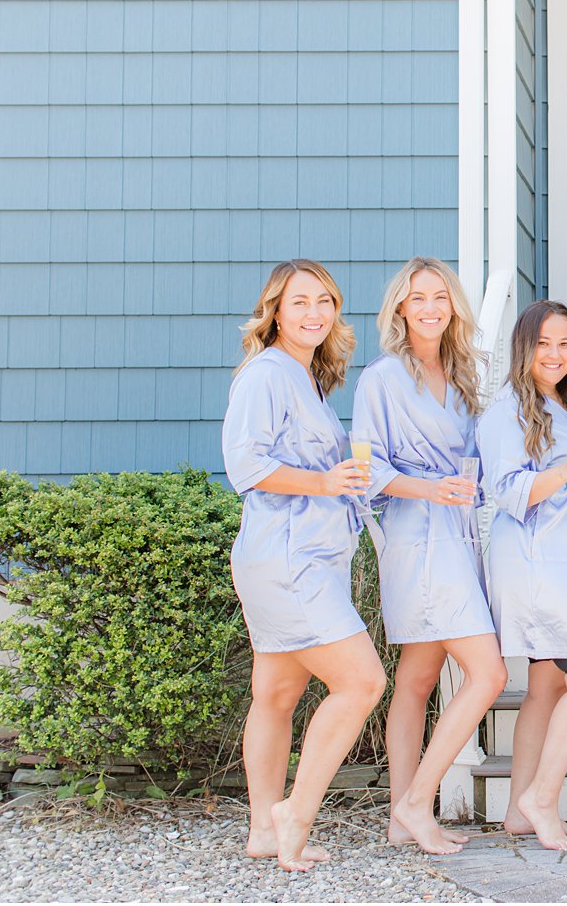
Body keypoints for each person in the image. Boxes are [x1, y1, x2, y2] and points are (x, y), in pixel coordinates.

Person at [221, 259, 386, 872]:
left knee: (277, 693)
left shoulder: (305, 377)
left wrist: (345, 486)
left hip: (294, 555)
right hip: (290, 561)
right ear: (275, 313)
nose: (315, 313)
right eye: (300, 303)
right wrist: (324, 480)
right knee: (362, 681)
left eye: (325, 301)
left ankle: (264, 828)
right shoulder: (267, 374)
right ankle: (295, 812)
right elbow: (247, 466)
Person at [351, 256, 506, 855]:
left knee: (415, 679)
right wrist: (430, 488)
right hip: (417, 536)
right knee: (488, 674)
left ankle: (398, 816)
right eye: (419, 299)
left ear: (454, 308)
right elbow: (366, 467)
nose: (432, 308)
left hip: (460, 533)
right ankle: (418, 801)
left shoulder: (465, 375)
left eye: (441, 297)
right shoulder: (382, 379)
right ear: (400, 309)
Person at [479, 300, 567, 851]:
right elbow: (509, 492)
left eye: (565, 343)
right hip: (539, 569)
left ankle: (519, 810)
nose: (556, 354)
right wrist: (566, 470)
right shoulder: (506, 412)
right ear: (524, 349)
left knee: (546, 685)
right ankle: (541, 796)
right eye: (543, 344)